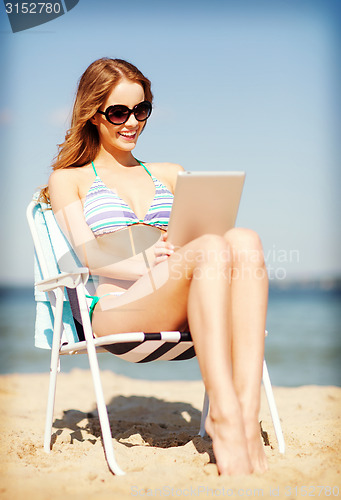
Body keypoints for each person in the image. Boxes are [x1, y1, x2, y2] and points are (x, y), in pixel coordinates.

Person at [41, 57, 269, 476]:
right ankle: (221, 411)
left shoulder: (169, 172)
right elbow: (88, 256)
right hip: (117, 305)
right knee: (213, 249)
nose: (132, 122)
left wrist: (186, 254)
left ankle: (245, 415)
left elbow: (205, 234)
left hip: (181, 293)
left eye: (141, 110)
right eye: (118, 112)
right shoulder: (69, 177)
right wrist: (149, 260)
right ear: (93, 113)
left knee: (245, 240)